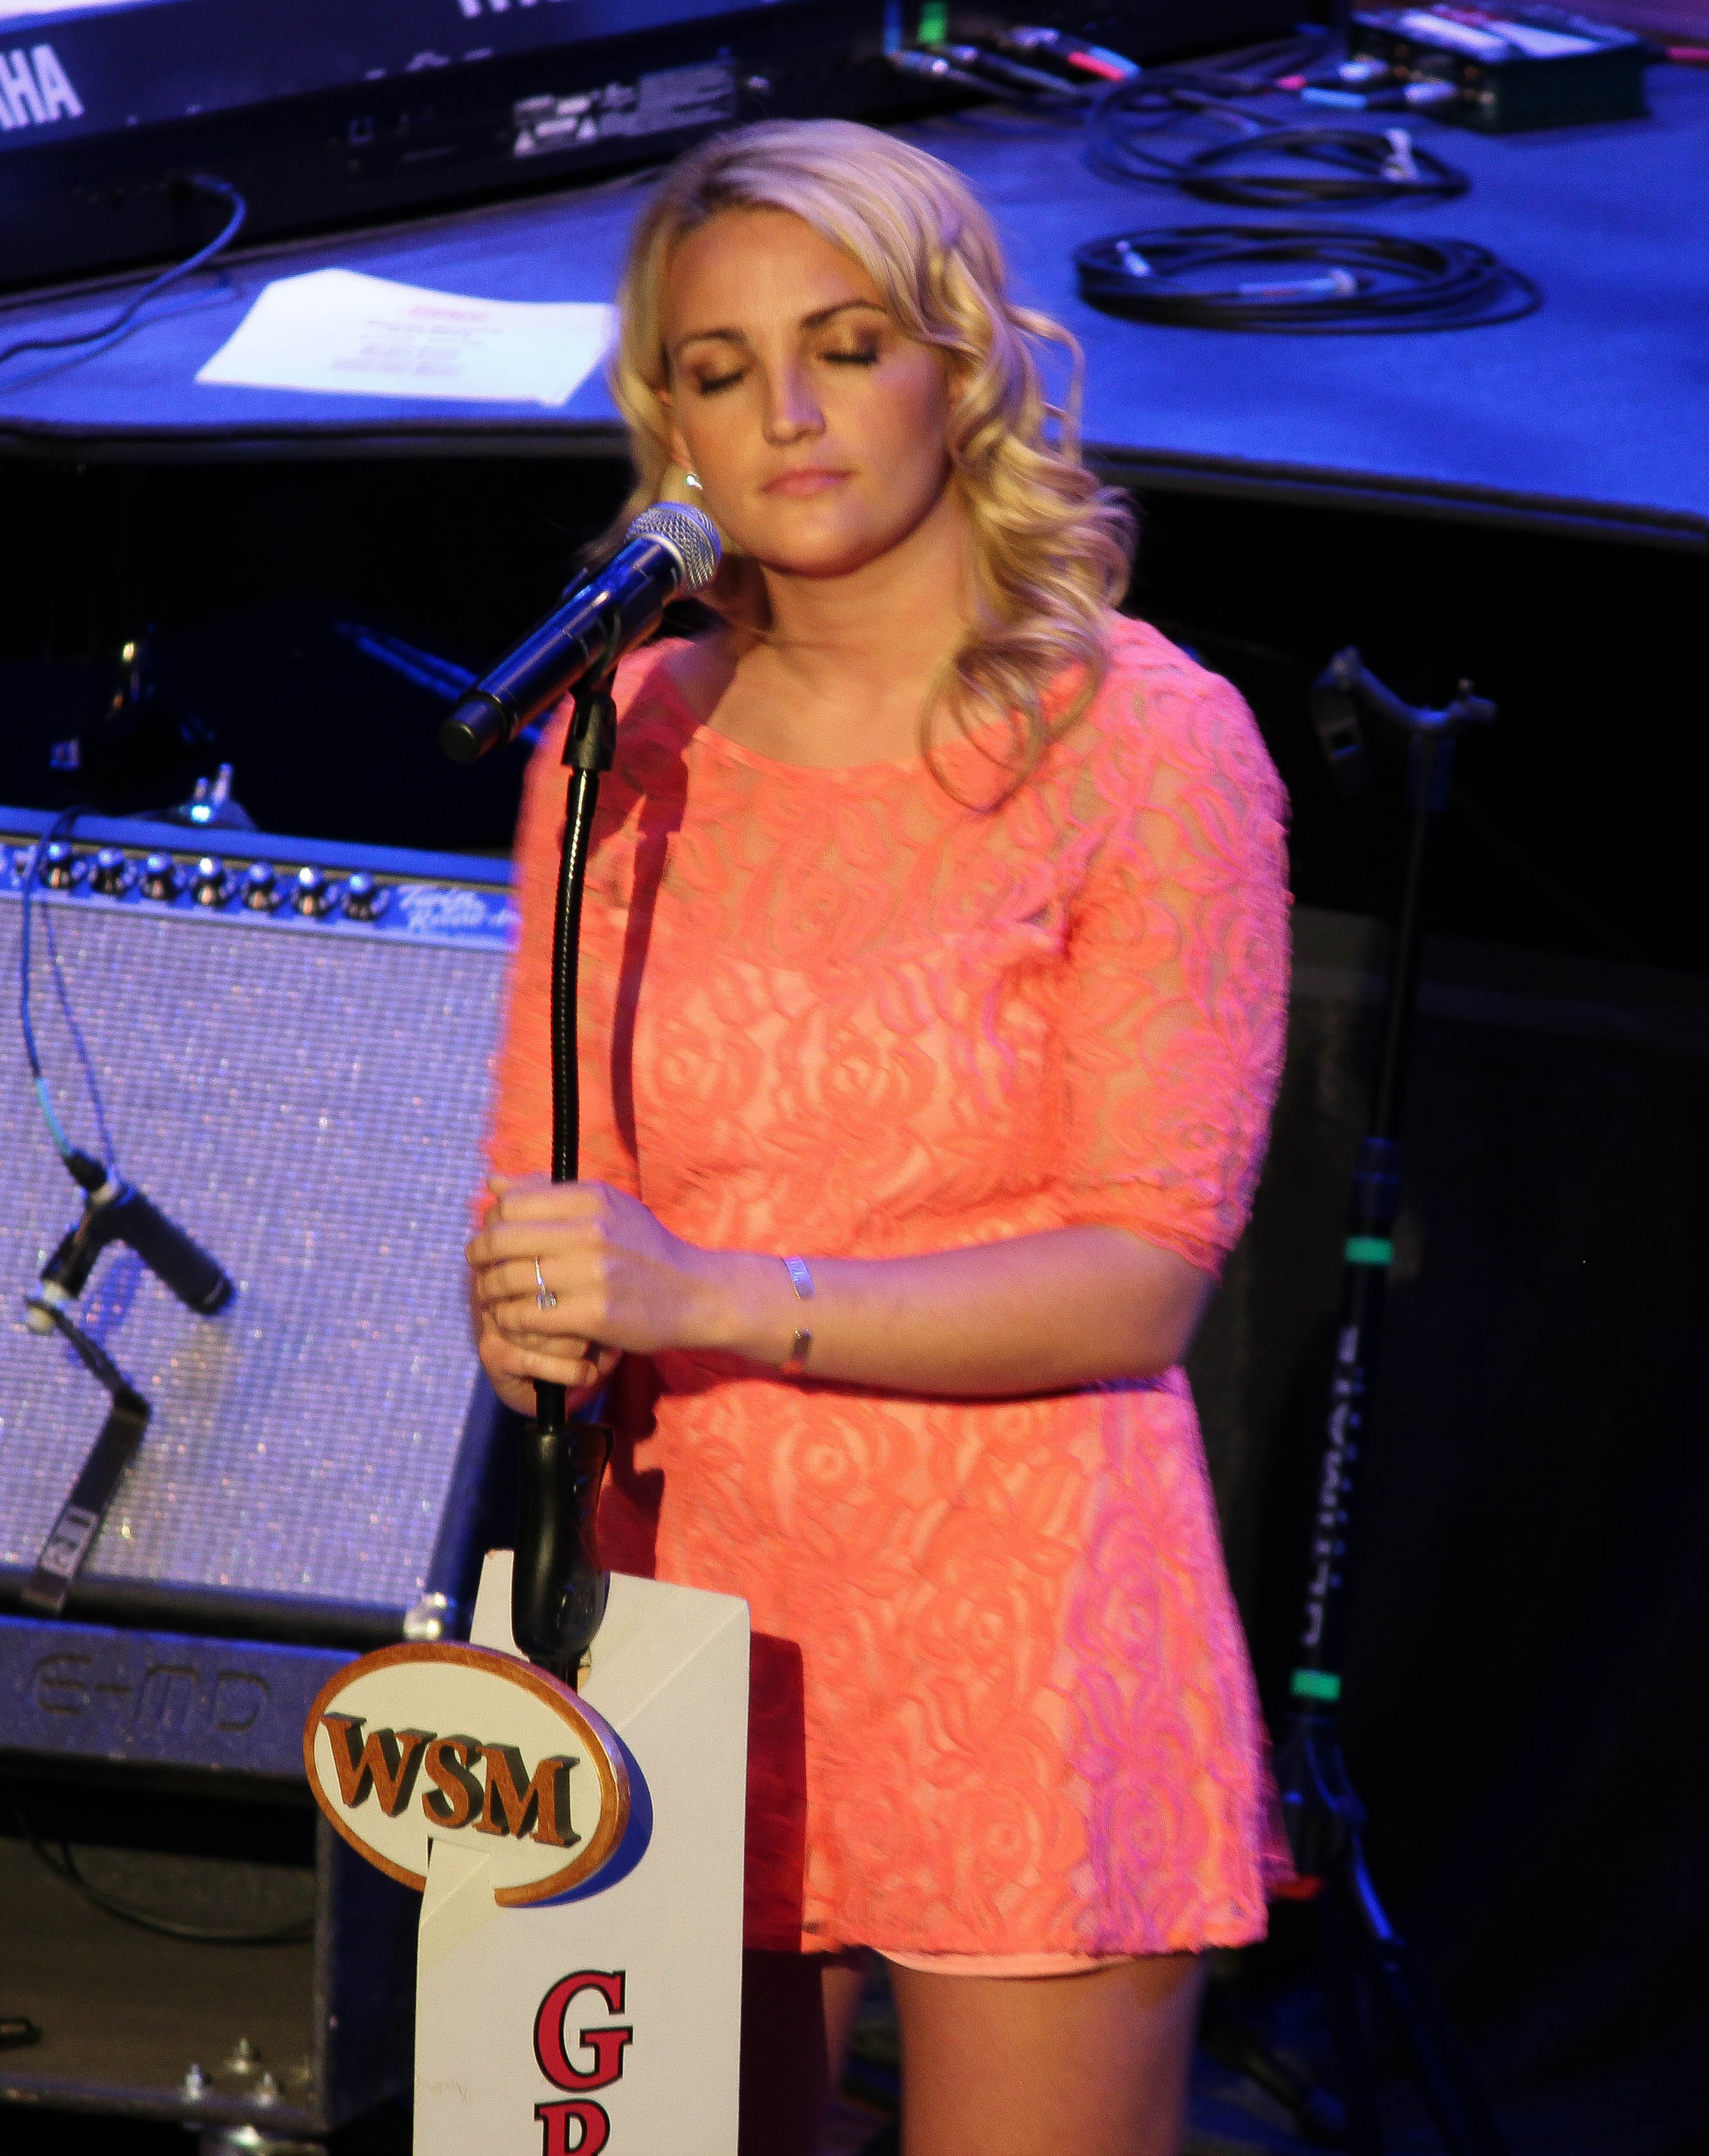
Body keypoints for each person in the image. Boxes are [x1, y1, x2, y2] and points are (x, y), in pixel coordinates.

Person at [462, 118, 1290, 2156]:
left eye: (844, 346)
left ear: (961, 365)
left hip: (1020, 1621)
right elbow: (542, 1188)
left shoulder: (1145, 743)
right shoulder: (615, 739)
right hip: (685, 1602)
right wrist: (528, 1310)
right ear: (668, 423)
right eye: (722, 369)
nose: (790, 414)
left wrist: (707, 1293)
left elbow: (1144, 1274)